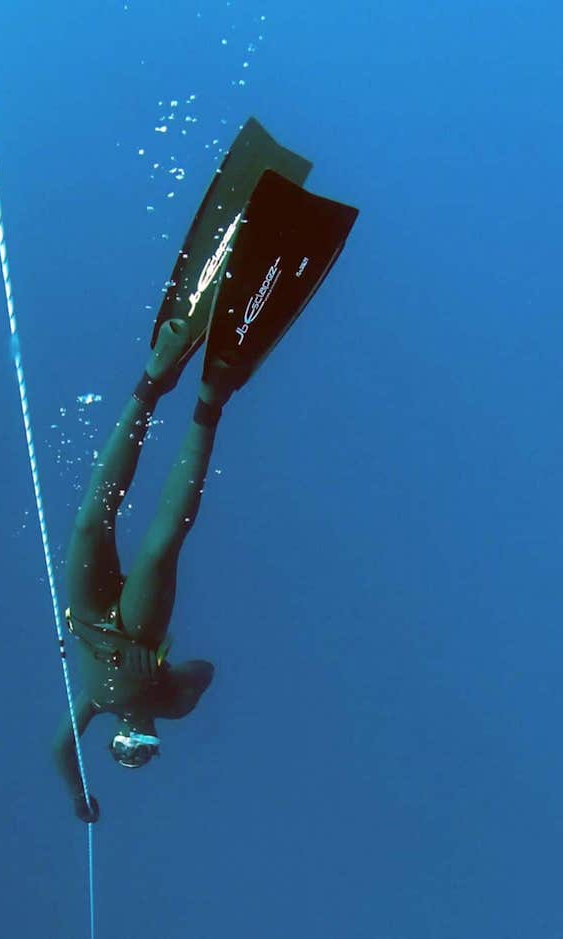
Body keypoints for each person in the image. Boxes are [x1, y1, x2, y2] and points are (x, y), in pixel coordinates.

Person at [51, 118, 360, 824]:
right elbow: (196, 678)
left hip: (110, 632)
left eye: (129, 751)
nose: (134, 743)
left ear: (126, 742)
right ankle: (181, 391)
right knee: (132, 528)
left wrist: (84, 790)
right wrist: (155, 692)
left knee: (120, 522)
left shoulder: (122, 704)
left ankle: (177, 389)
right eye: (139, 751)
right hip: (115, 630)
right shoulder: (137, 705)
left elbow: (71, 744)